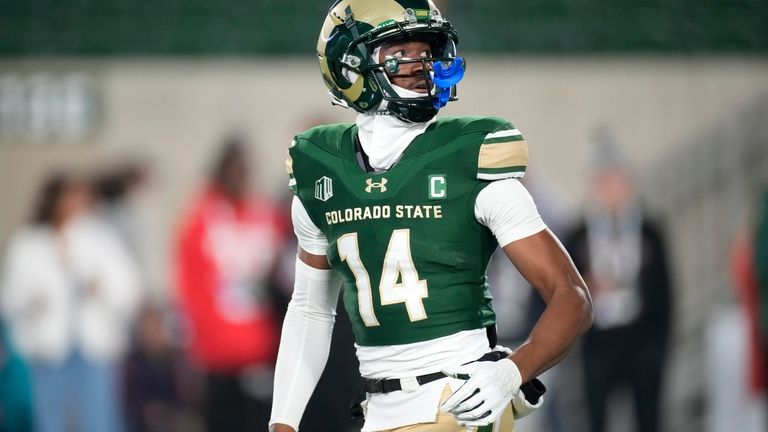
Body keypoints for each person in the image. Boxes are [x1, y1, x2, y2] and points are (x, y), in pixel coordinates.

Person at [269, 2, 593, 432]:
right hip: (377, 408)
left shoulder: (471, 159)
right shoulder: (321, 170)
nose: (420, 64)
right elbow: (310, 309)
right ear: (349, 67)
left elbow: (572, 296)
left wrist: (512, 371)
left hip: (454, 399)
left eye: (426, 50)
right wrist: (283, 423)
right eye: (399, 52)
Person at [1, 172, 142, 432]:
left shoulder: (102, 239)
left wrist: (101, 289)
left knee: (98, 419)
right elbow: (9, 296)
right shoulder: (28, 243)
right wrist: (32, 301)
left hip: (92, 347)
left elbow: (129, 289)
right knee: (49, 419)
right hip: (48, 348)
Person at [174, 138, 288, 432]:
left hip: (259, 347)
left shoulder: (264, 214)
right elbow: (189, 281)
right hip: (216, 351)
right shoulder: (203, 217)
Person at [563, 132, 672, 432]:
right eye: (604, 182)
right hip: (599, 342)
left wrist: (659, 345)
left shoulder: (650, 231)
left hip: (642, 339)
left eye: (616, 181)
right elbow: (563, 288)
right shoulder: (579, 234)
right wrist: (587, 287)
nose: (612, 190)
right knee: (596, 417)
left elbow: (665, 292)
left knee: (648, 416)